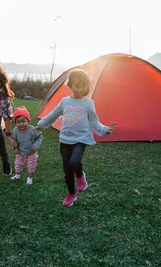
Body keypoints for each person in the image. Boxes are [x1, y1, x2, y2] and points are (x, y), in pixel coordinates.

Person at [37, 69, 117, 207]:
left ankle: (80, 176)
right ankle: (71, 194)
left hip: (81, 139)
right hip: (65, 139)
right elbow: (54, 114)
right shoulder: (65, 102)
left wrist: (105, 129)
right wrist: (41, 124)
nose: (81, 89)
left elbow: (94, 121)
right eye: (77, 86)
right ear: (70, 85)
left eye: (84, 86)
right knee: (67, 171)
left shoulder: (88, 103)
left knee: (74, 162)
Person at [9, 106, 43, 185]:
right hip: (20, 152)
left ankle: (29, 178)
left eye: (23, 121)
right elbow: (14, 140)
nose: (21, 124)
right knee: (18, 164)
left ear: (28, 121)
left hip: (31, 152)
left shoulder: (33, 130)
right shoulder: (15, 130)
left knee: (31, 166)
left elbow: (40, 137)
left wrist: (36, 145)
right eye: (18, 122)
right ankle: (17, 175)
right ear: (15, 123)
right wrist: (15, 148)